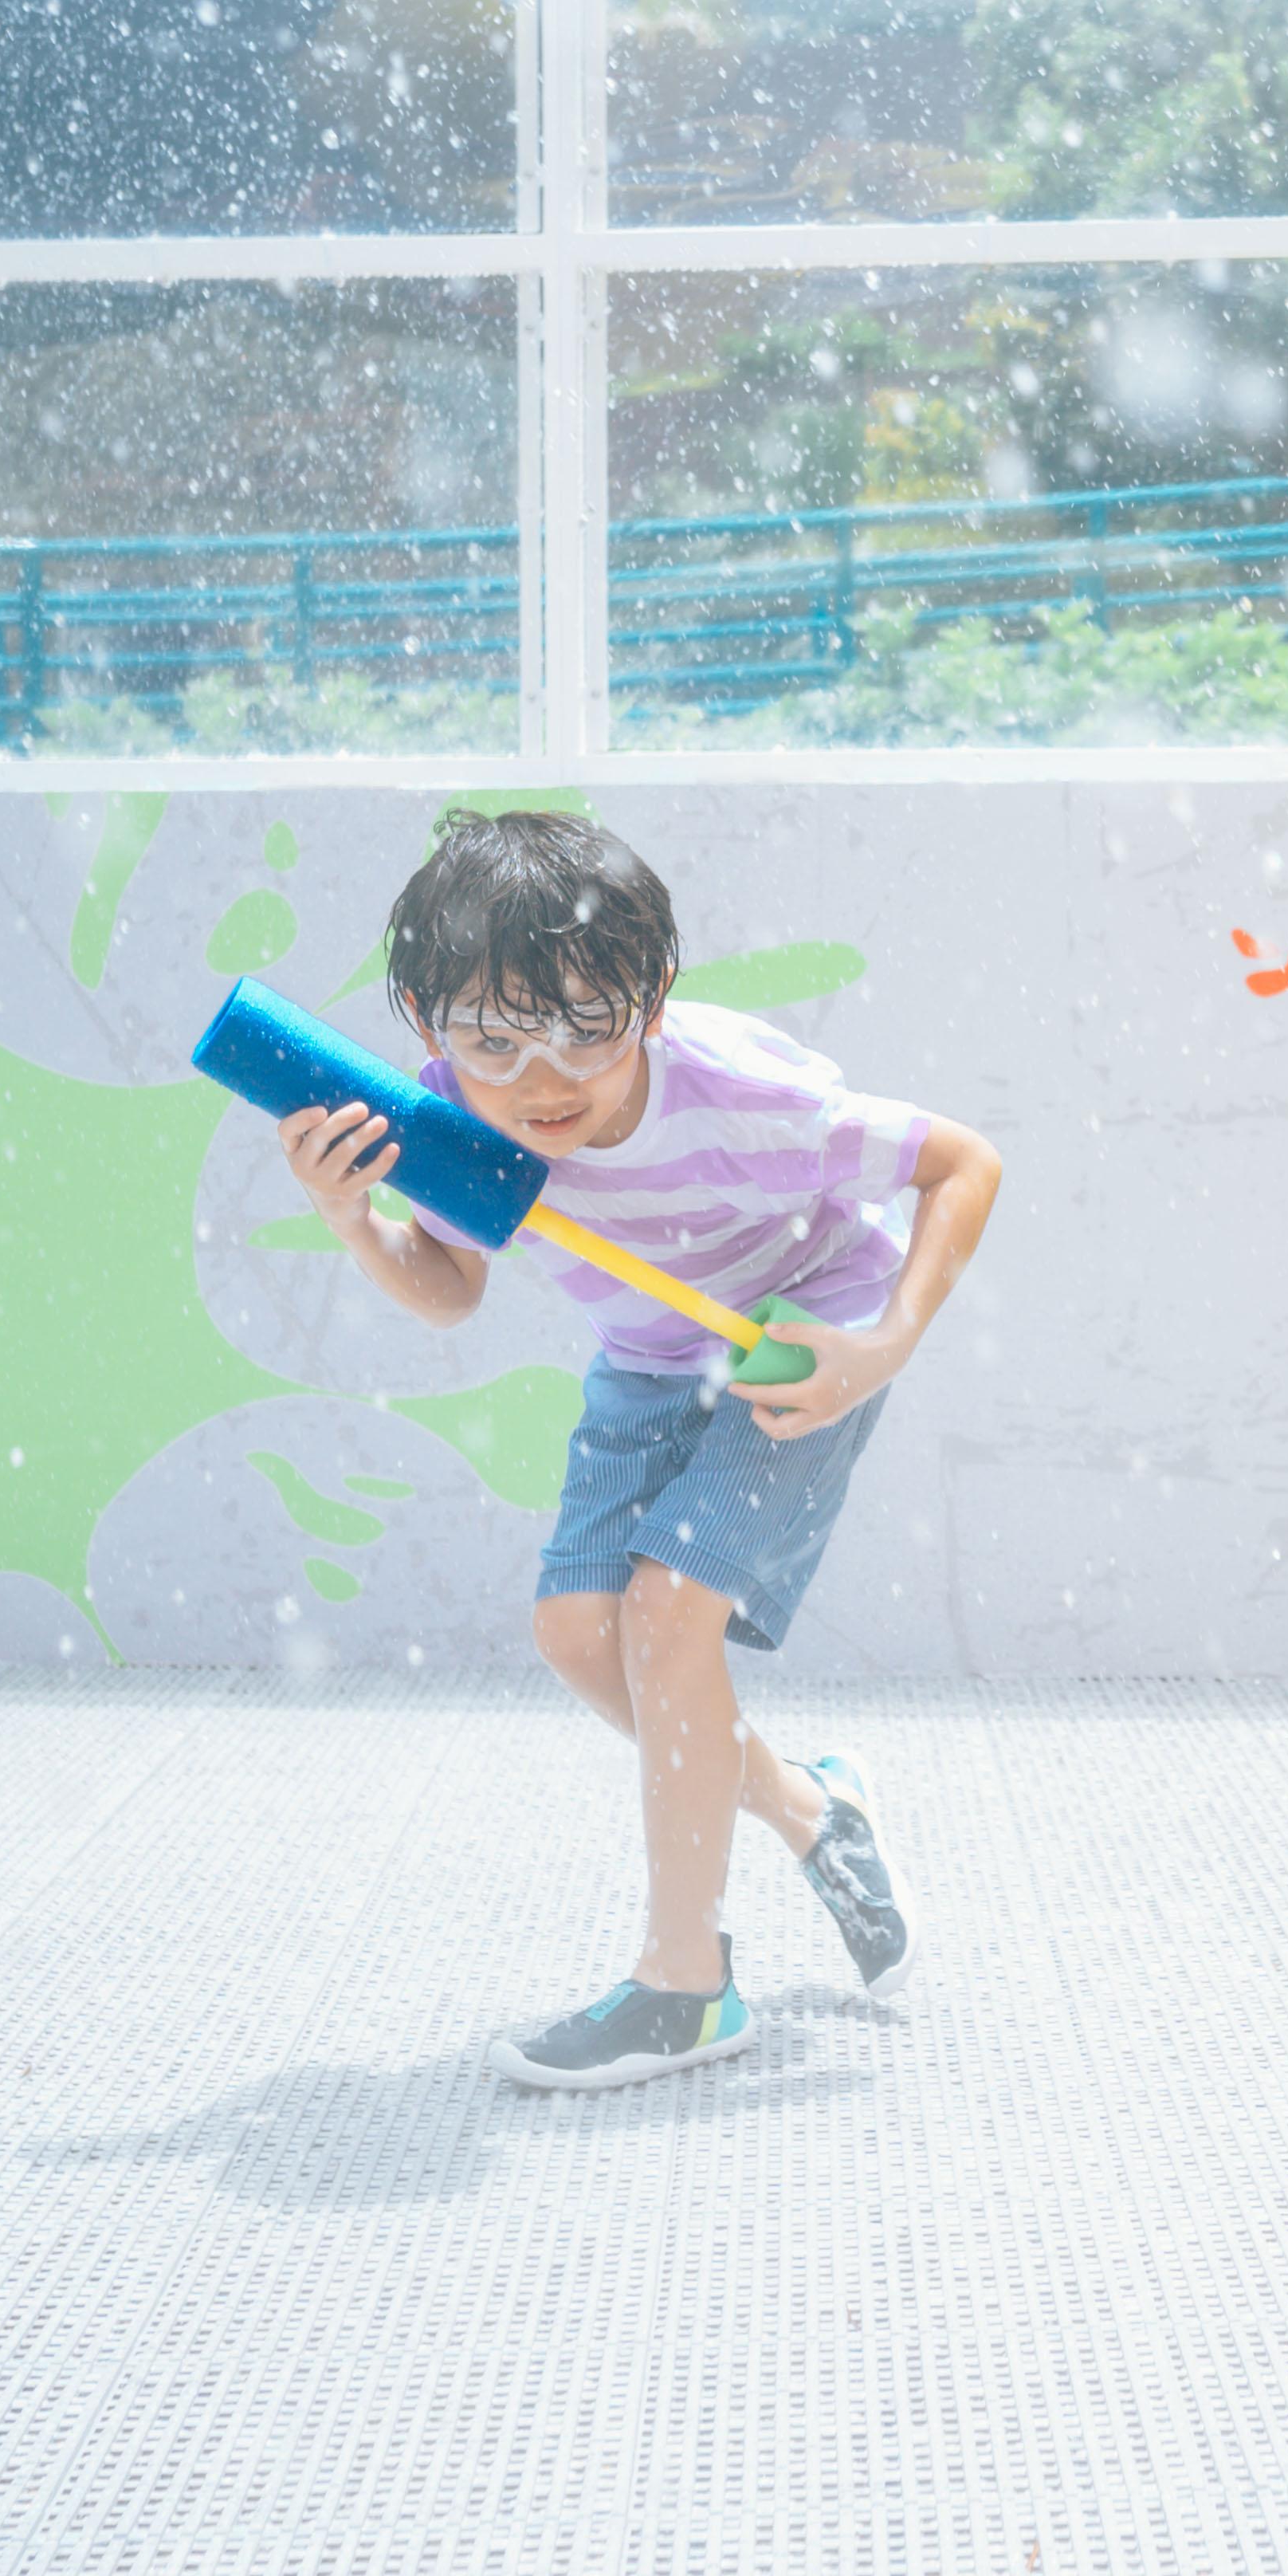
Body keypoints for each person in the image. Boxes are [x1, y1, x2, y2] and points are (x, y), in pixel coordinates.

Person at [279, 808, 1000, 2089]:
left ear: (653, 1000)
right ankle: (807, 1807)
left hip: (802, 1328)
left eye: (585, 1028)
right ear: (425, 1018)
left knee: (672, 1621)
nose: (540, 1080)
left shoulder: (750, 1097)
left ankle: (688, 1987)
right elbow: (447, 1291)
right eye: (491, 1038)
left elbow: (963, 1163)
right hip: (652, 1354)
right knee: (576, 1634)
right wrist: (351, 1217)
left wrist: (881, 1346)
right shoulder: (454, 1115)